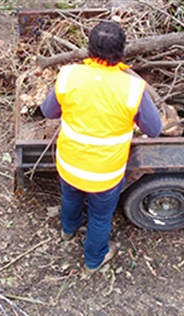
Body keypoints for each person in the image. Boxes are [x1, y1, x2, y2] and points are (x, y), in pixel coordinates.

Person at [41, 21, 162, 275]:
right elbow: (154, 129)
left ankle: (68, 230)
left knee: (70, 196)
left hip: (69, 163)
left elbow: (48, 111)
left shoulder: (69, 74)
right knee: (100, 217)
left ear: (89, 49)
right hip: (105, 175)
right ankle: (94, 260)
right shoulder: (132, 88)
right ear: (122, 52)